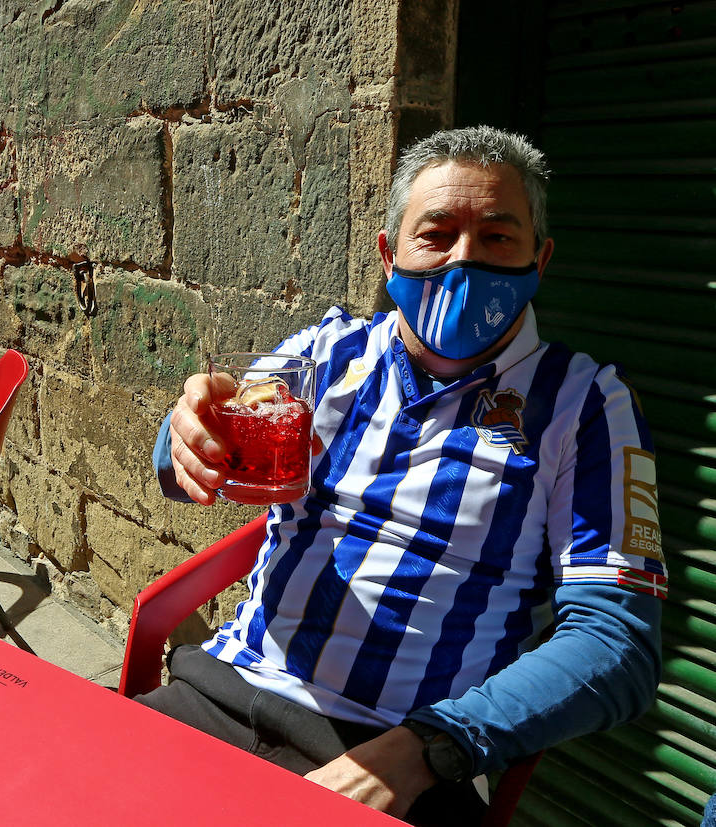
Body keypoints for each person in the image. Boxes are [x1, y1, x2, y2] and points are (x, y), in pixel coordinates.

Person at [148, 126, 663, 825]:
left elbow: (617, 644)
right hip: (222, 690)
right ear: (389, 254)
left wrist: (424, 751)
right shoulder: (325, 352)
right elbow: (192, 458)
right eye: (436, 234)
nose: (464, 258)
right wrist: (182, 437)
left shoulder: (585, 405)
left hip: (403, 754)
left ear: (539, 260)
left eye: (497, 237)